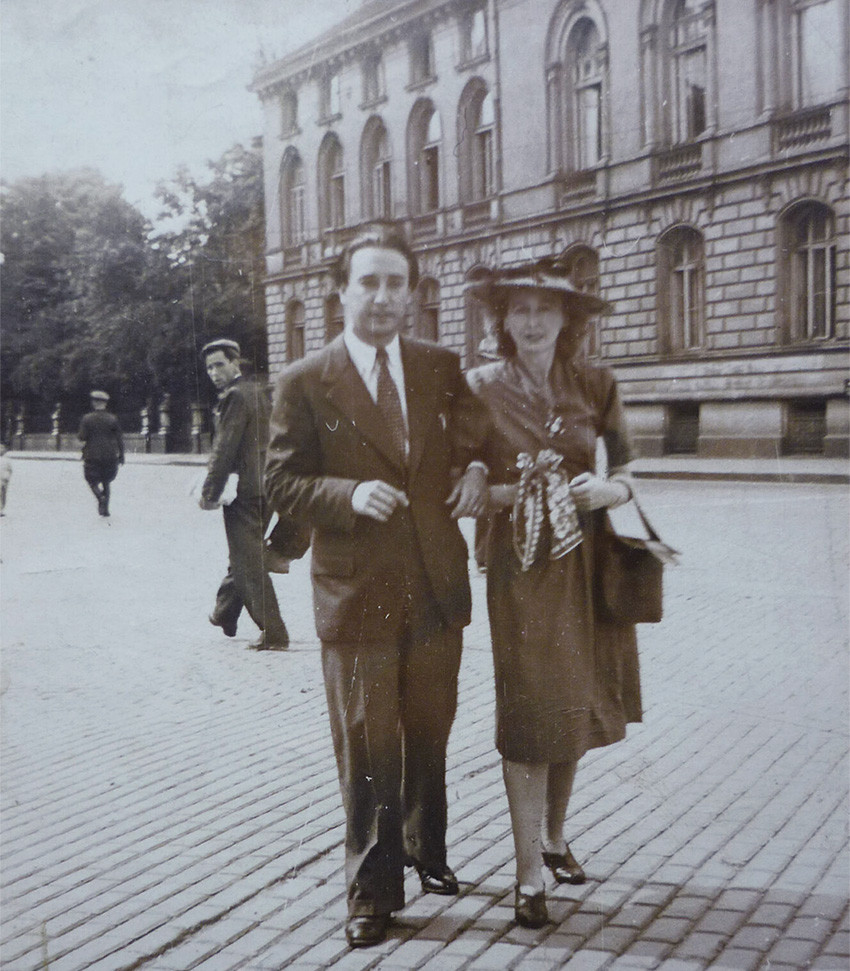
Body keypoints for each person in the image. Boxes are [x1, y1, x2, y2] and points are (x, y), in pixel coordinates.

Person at [264, 224, 489, 948]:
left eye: (398, 283)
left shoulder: (439, 365)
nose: (385, 297)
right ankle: (371, 886)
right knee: (367, 743)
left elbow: (478, 439)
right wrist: (346, 494)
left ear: (414, 293)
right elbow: (280, 481)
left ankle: (427, 848)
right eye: (370, 282)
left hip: (434, 585)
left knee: (430, 729)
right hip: (356, 591)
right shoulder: (304, 379)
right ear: (341, 291)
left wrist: (479, 471)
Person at [465, 258, 642, 929]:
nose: (533, 319)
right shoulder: (479, 385)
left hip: (586, 562)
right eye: (519, 308)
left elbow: (625, 463)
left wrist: (610, 489)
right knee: (529, 708)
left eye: (546, 307)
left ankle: (554, 834)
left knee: (576, 697)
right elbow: (461, 476)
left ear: (567, 318)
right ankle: (527, 873)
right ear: (503, 320)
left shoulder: (596, 381)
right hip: (521, 566)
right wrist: (502, 485)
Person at [199, 339, 290, 652]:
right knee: (244, 553)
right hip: (268, 485)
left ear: (235, 362)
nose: (213, 372)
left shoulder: (235, 396)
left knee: (247, 561)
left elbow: (225, 448)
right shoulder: (261, 391)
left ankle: (274, 633)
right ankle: (225, 612)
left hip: (244, 490)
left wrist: (209, 492)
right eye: (209, 367)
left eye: (219, 364)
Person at [78, 390, 124, 517]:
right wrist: (122, 455)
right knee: (106, 482)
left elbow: (82, 437)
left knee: (92, 481)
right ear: (105, 404)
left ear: (94, 403)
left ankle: (100, 498)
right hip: (110, 455)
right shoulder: (112, 419)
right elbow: (119, 438)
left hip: (92, 455)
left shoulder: (87, 418)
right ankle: (106, 510)